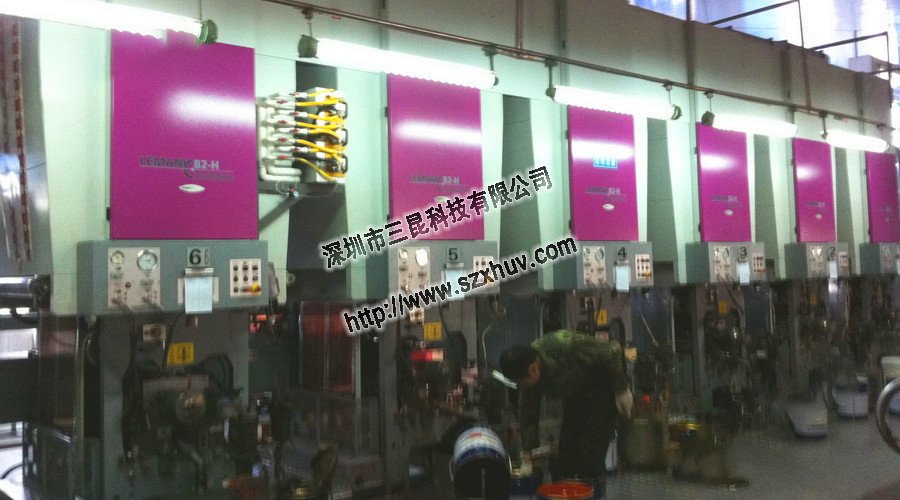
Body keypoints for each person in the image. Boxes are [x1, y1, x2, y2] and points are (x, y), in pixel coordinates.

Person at [499, 330, 633, 482]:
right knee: (566, 455)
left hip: (603, 391)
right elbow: (527, 413)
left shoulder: (566, 345)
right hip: (577, 394)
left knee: (590, 454)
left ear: (533, 369)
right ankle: (567, 489)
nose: (521, 387)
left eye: (520, 382)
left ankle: (594, 489)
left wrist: (621, 389)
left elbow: (612, 351)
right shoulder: (527, 376)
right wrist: (527, 456)